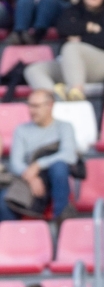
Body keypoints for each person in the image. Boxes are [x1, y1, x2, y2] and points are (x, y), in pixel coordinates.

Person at [25, 0, 104, 102]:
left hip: (103, 65)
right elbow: (62, 27)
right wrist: (88, 27)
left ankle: (76, 95)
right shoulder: (73, 10)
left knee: (71, 48)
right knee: (33, 70)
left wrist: (80, 39)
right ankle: (55, 99)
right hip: (73, 66)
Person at [0, 89, 77, 222]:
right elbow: (15, 163)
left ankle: (62, 222)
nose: (32, 110)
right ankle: (14, 238)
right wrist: (31, 178)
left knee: (59, 167)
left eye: (36, 106)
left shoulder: (64, 127)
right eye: (30, 105)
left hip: (55, 180)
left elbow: (69, 155)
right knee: (4, 200)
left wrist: (38, 164)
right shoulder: (21, 129)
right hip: (27, 180)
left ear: (50, 105)